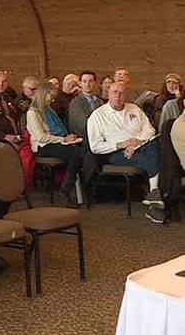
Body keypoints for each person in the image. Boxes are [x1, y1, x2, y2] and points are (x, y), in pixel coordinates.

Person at [87, 82, 162, 223]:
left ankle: (155, 198)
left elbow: (150, 130)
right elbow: (95, 146)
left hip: (142, 147)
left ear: (125, 94)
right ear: (108, 94)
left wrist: (136, 142)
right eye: (115, 92)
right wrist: (122, 144)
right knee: (157, 156)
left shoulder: (134, 109)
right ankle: (155, 193)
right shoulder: (97, 116)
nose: (118, 96)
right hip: (117, 153)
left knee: (153, 146)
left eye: (121, 93)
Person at [27, 82, 84, 204]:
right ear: (43, 94)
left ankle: (68, 189)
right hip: (43, 146)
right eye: (51, 95)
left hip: (56, 141)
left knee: (83, 149)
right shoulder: (33, 113)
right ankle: (65, 190)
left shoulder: (49, 110)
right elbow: (40, 137)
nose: (52, 99)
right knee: (76, 153)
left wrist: (68, 137)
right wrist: (63, 140)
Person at [68, 71, 104, 138]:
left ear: (95, 83)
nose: (88, 84)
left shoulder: (100, 102)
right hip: (83, 139)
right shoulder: (75, 103)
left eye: (91, 81)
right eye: (84, 81)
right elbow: (83, 124)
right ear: (80, 83)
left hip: (100, 136)